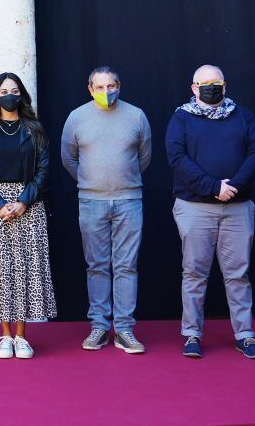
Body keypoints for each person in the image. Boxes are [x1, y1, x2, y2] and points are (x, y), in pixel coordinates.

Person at [165, 64, 255, 360]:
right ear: (194, 88)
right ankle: (192, 334)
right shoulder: (181, 118)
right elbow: (177, 158)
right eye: (205, 83)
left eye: (216, 82)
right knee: (194, 273)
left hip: (238, 206)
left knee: (238, 275)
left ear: (225, 85)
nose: (211, 87)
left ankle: (245, 336)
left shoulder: (243, 115)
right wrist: (212, 186)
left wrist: (233, 186)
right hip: (195, 208)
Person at [62, 66, 151, 354]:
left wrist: (124, 181)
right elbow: (68, 158)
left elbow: (144, 157)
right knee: (97, 265)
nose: (106, 92)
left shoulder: (136, 116)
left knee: (126, 265)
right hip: (91, 201)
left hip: (129, 200)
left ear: (119, 86)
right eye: (100, 88)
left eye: (111, 86)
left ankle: (124, 329)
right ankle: (99, 327)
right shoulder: (77, 117)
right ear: (90, 89)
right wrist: (91, 182)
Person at [0, 72, 55, 359]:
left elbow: (44, 169)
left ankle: (22, 336)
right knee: (0, 269)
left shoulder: (34, 128)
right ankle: (4, 335)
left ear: (21, 95)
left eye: (14, 90)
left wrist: (23, 201)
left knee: (26, 269)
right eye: (3, 90)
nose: (9, 95)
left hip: (28, 206)